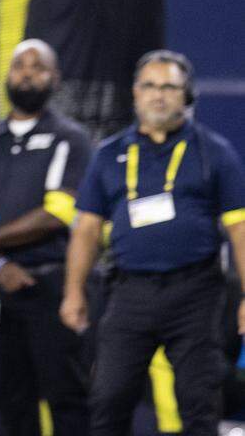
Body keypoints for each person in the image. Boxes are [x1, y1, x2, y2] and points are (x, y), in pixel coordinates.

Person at [61, 50, 245, 436]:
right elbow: (87, 229)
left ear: (187, 96)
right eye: (149, 86)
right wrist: (73, 292)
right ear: (134, 93)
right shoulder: (109, 154)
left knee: (199, 400)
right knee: (109, 397)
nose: (158, 95)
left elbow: (240, 228)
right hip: (130, 292)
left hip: (195, 291)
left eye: (169, 87)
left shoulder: (214, 153)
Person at [0, 39, 93, 436]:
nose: (27, 74)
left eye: (38, 67)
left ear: (55, 79)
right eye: (20, 66)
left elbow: (58, 212)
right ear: (7, 76)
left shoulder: (71, 138)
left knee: (66, 395)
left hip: (50, 284)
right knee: (9, 398)